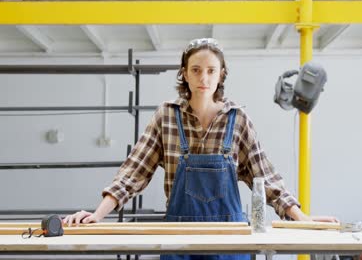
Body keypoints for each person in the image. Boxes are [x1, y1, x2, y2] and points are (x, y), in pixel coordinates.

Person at [63, 38, 338, 260]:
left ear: (221, 75)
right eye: (195, 69)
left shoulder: (237, 118)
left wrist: (302, 217)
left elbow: (266, 178)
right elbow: (134, 171)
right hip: (179, 238)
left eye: (210, 70)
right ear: (184, 73)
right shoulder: (166, 116)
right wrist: (97, 214)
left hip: (230, 240)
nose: (203, 77)